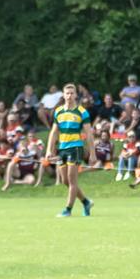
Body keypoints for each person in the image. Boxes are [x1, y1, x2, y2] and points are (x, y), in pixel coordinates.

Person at [45, 82, 96, 217]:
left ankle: (68, 209)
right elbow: (54, 132)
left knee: (72, 180)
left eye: (72, 93)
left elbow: (89, 134)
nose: (69, 95)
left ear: (75, 95)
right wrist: (49, 150)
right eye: (67, 93)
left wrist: (92, 153)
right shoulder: (58, 111)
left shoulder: (82, 112)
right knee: (65, 181)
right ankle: (86, 202)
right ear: (63, 95)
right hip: (62, 148)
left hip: (76, 148)